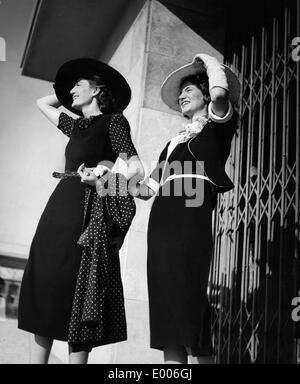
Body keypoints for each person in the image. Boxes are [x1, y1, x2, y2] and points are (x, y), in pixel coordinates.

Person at [18, 58, 144, 364]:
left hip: (87, 211)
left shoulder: (113, 122)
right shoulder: (75, 126)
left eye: (79, 84)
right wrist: (69, 90)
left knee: (80, 287)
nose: (71, 90)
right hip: (59, 206)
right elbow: (42, 102)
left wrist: (104, 177)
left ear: (98, 89)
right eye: (71, 86)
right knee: (45, 282)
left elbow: (136, 168)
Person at [130, 54, 240, 364]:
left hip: (191, 219)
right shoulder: (172, 143)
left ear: (205, 94)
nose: (182, 96)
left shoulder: (219, 127)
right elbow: (145, 190)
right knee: (166, 307)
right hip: (162, 223)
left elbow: (220, 93)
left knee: (190, 301)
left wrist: (209, 62)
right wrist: (110, 180)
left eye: (189, 90)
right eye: (182, 92)